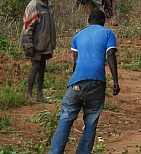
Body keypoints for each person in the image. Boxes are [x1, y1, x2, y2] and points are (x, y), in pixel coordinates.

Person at [49, 9, 121, 154]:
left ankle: (55, 152)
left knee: (66, 118)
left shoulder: (78, 36)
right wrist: (115, 81)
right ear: (103, 21)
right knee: (91, 121)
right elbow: (111, 55)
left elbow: (75, 62)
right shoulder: (108, 33)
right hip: (97, 81)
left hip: (77, 82)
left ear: (88, 21)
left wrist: (75, 80)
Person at [20, 0, 57, 103]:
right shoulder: (33, 6)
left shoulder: (49, 4)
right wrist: (28, 45)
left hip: (45, 43)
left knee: (42, 68)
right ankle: (29, 94)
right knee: (35, 67)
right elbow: (27, 28)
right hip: (36, 44)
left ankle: (40, 94)